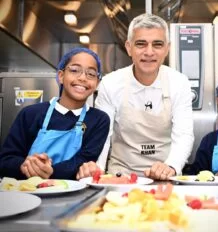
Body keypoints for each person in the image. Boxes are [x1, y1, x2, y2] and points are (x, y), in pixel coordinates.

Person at [76, 13, 194, 180]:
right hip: (121, 176)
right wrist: (97, 169)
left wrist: (172, 165)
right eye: (141, 44)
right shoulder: (110, 84)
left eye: (157, 44)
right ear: (129, 47)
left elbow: (183, 134)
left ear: (167, 49)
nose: (149, 52)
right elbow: (103, 135)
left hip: (165, 175)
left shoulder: (179, 83)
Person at [0, 47, 110, 180]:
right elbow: (5, 160)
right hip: (26, 193)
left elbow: (83, 160)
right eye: (75, 70)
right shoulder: (30, 114)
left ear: (97, 83)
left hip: (71, 194)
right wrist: (26, 166)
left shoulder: (99, 120)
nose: (82, 78)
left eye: (91, 74)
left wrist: (49, 171)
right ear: (61, 76)